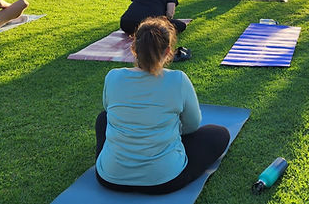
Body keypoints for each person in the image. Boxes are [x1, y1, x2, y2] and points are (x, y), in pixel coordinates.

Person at [95, 17, 230, 194]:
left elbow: (109, 109)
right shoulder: (177, 79)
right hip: (163, 180)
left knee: (103, 118)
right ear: (168, 51)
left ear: (133, 48)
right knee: (219, 134)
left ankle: (121, 161)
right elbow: (192, 125)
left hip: (110, 178)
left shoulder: (113, 76)